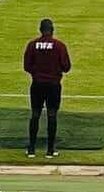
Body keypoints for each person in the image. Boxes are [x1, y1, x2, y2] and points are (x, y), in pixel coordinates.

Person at [23, 18, 71, 159]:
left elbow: (26, 66)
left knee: (35, 115)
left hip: (37, 84)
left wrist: (36, 73)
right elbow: (66, 67)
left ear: (40, 30)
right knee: (52, 115)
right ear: (52, 30)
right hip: (53, 85)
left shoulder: (32, 45)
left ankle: (31, 149)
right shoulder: (59, 46)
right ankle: (50, 150)